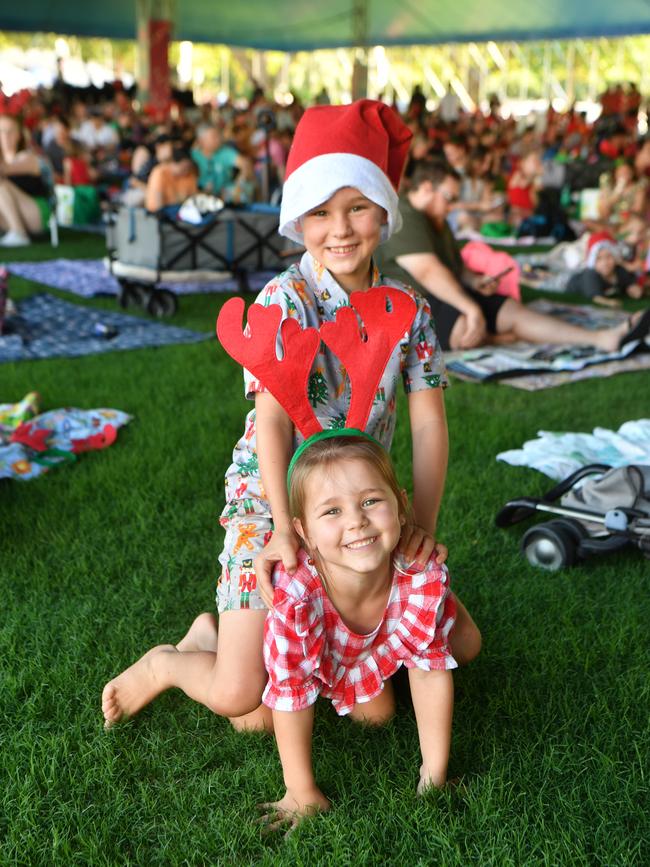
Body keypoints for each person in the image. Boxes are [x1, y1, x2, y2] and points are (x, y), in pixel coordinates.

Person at [102, 99, 480, 734]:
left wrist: (420, 522)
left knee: (441, 661)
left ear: (384, 210)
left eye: (357, 206)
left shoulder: (409, 308)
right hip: (271, 501)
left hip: (357, 504)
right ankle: (174, 660)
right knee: (237, 697)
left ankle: (300, 657)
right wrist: (282, 527)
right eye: (321, 212)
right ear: (297, 218)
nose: (341, 228)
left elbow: (429, 423)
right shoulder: (285, 301)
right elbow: (274, 425)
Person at [259, 434, 461, 830]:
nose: (356, 520)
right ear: (303, 532)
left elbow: (429, 668)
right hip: (292, 659)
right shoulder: (296, 596)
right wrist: (300, 790)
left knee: (378, 716)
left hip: (351, 654)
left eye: (370, 501)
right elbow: (291, 687)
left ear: (402, 506)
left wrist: (433, 775)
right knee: (251, 718)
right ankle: (178, 659)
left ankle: (344, 687)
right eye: (331, 511)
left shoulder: (419, 575)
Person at [374, 160, 650, 352]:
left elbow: (454, 269)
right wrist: (471, 309)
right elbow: (428, 272)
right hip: (411, 303)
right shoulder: (405, 217)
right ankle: (502, 338)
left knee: (513, 311)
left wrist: (475, 281)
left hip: (444, 293)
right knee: (464, 331)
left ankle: (601, 338)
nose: (452, 206)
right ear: (425, 188)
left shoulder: (436, 220)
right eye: (449, 197)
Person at [0, 114, 51, 247]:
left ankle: (18, 232)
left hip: (37, 215)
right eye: (1, 131)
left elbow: (5, 170)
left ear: (19, 135)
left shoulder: (28, 157)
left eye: (10, 131)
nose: (5, 136)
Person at [144, 146, 198, 212]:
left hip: (182, 210)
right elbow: (158, 201)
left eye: (188, 168)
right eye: (183, 168)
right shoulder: (160, 172)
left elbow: (193, 197)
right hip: (160, 211)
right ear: (173, 163)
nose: (186, 171)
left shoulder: (189, 175)